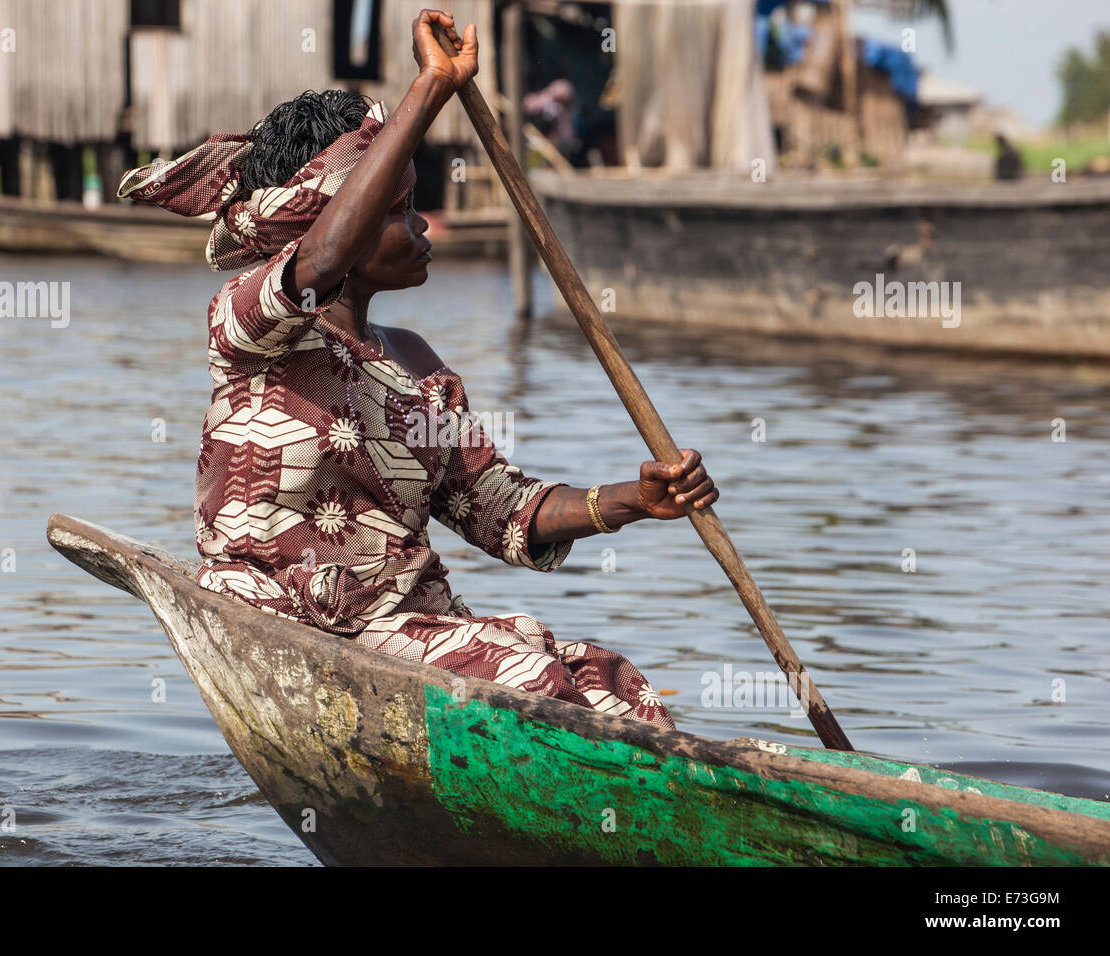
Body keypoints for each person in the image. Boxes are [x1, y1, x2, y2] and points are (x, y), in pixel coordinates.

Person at [118, 10, 718, 730]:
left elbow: (502, 511)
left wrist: (632, 500)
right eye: (397, 208)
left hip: (405, 629)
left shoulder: (419, 367)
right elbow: (322, 261)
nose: (423, 225)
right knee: (531, 678)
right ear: (340, 216)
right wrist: (430, 88)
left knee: (612, 686)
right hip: (301, 628)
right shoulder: (253, 328)